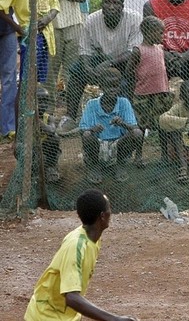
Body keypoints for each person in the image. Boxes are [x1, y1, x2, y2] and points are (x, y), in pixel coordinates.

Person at [25, 189, 139, 321]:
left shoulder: (92, 239)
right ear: (102, 216)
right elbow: (72, 297)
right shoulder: (76, 245)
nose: (111, 212)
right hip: (46, 316)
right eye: (109, 208)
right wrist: (115, 319)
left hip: (61, 314)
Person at [66, 0, 142, 120]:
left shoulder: (134, 19)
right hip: (99, 59)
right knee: (76, 74)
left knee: (127, 79)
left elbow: (133, 51)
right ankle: (71, 118)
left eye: (116, 3)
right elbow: (84, 50)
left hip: (123, 61)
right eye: (107, 2)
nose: (111, 7)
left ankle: (126, 118)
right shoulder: (91, 19)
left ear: (122, 5)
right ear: (102, 3)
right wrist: (88, 68)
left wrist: (109, 63)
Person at [0, 0, 59, 88]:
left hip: (46, 35)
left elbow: (55, 6)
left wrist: (47, 18)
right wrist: (17, 27)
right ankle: (22, 110)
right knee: (27, 80)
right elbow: (1, 6)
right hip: (30, 35)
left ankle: (35, 109)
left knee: (39, 81)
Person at [78, 67, 143, 184]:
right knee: (87, 135)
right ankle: (95, 165)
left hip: (119, 145)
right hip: (98, 145)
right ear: (101, 86)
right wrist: (93, 129)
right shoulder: (92, 104)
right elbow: (83, 131)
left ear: (119, 86)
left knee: (137, 133)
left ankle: (119, 164)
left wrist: (122, 123)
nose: (112, 90)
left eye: (116, 86)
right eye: (109, 86)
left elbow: (135, 128)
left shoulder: (124, 102)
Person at [126, 16, 172, 165]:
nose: (162, 36)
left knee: (163, 125)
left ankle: (165, 155)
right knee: (141, 125)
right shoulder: (138, 50)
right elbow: (129, 71)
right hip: (143, 94)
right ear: (149, 32)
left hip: (161, 93)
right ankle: (138, 156)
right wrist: (138, 81)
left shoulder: (160, 49)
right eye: (160, 33)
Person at [0, 0, 22, 139]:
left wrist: (16, 25)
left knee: (8, 77)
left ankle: (7, 127)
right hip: (8, 24)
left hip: (6, 29)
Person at [35, 86, 63, 183]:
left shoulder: (49, 118)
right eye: (40, 101)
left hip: (45, 146)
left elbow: (51, 130)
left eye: (45, 101)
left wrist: (40, 123)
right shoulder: (27, 117)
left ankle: (50, 167)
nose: (43, 105)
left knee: (55, 138)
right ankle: (33, 172)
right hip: (31, 146)